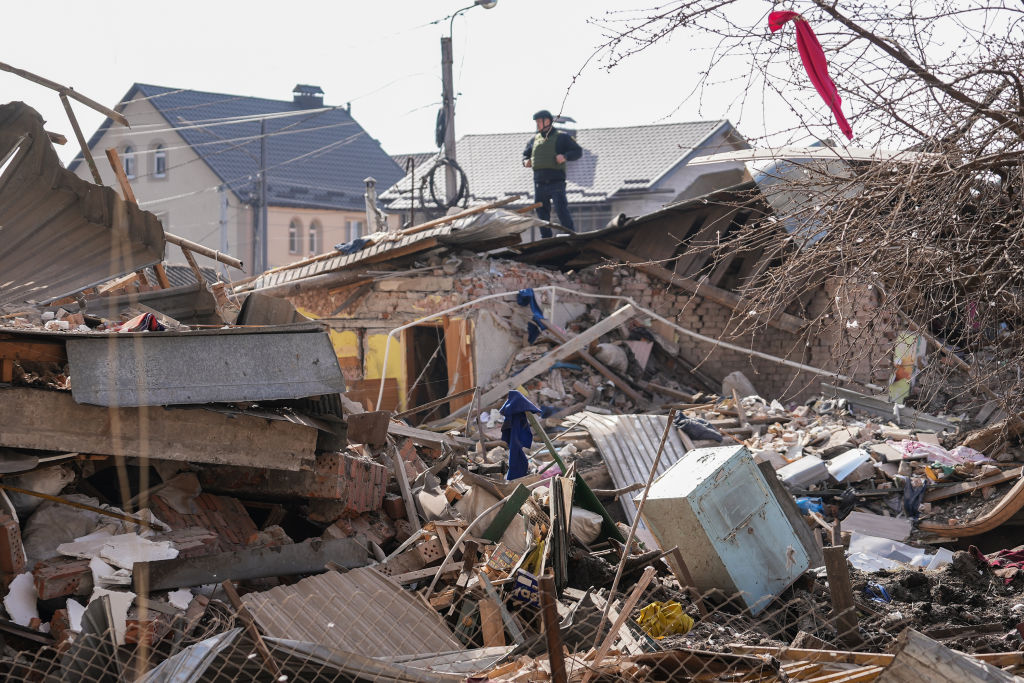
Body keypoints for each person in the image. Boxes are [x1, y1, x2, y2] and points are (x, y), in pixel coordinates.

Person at [522, 109, 583, 238]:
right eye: (536, 122)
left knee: (561, 209)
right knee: (541, 213)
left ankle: (570, 235)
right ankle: (546, 238)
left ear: (548, 121)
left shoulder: (562, 138)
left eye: (539, 121)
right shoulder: (534, 140)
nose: (537, 124)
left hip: (556, 182)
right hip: (539, 183)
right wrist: (525, 161)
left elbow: (578, 151)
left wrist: (565, 156)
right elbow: (525, 156)